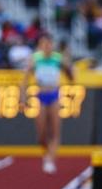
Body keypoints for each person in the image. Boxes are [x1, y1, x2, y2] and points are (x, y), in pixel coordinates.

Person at [27, 33, 74, 174]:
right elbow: (24, 80)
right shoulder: (35, 59)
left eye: (49, 44)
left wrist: (68, 66)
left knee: (55, 131)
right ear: (40, 46)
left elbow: (71, 77)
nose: (47, 47)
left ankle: (50, 160)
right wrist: (23, 97)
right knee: (41, 133)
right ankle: (46, 153)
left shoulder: (58, 59)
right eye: (44, 44)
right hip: (41, 95)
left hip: (54, 95)